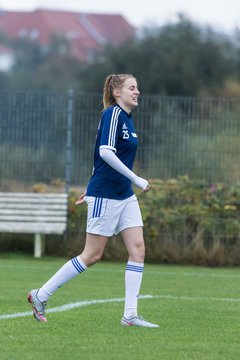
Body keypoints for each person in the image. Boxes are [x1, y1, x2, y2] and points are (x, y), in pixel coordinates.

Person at [27, 73, 159, 328]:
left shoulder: (129, 120)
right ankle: (40, 296)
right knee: (92, 255)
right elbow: (104, 152)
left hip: (123, 195)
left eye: (138, 88)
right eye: (132, 87)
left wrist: (95, 184)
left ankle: (130, 315)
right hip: (107, 194)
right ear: (117, 92)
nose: (137, 92)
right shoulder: (112, 114)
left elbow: (99, 158)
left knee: (138, 249)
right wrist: (136, 179)